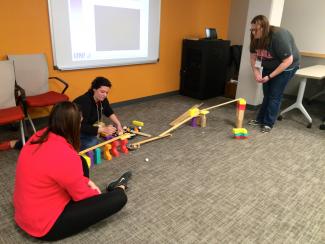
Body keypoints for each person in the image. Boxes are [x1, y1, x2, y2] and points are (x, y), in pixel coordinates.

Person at [13, 101, 132, 241]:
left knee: (81, 160)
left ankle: (83, 185)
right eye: (80, 123)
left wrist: (85, 181)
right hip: (44, 226)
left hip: (24, 212)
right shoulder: (65, 155)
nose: (80, 126)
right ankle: (119, 187)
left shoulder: (39, 135)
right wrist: (95, 193)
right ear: (73, 125)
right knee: (119, 198)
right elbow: (84, 196)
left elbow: (61, 169)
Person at [248, 15, 300, 133]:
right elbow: (253, 58)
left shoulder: (278, 36)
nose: (253, 32)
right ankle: (260, 119)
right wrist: (256, 73)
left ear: (264, 28)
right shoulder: (255, 37)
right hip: (269, 65)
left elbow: (288, 61)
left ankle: (268, 123)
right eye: (251, 29)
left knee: (274, 95)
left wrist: (270, 76)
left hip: (287, 66)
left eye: (255, 30)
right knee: (267, 94)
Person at [74, 77, 123, 150]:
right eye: (102, 92)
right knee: (92, 143)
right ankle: (72, 146)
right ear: (94, 89)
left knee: (109, 129)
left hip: (88, 126)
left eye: (107, 92)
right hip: (75, 130)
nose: (105, 95)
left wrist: (118, 123)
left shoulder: (101, 98)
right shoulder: (84, 102)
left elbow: (108, 111)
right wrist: (103, 129)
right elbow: (81, 126)